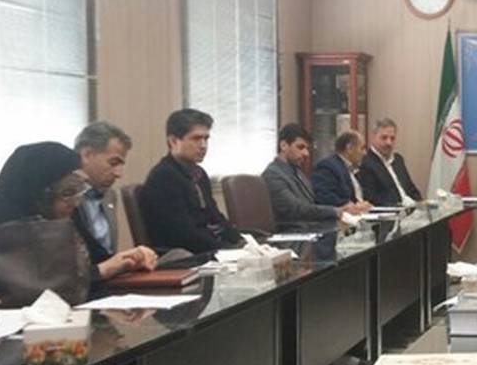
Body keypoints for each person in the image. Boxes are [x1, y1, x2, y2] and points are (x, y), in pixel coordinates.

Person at [0, 142, 154, 290]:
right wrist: (103, 270)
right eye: (67, 191)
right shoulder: (2, 225)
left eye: (78, 189)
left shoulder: (64, 213)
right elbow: (36, 289)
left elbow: (98, 258)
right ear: (39, 193)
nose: (75, 201)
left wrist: (130, 258)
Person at [140, 109, 243, 253]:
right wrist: (227, 250)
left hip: (208, 248)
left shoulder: (199, 173)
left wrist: (242, 243)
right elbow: (184, 234)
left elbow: (215, 217)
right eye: (196, 139)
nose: (203, 145)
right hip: (184, 254)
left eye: (206, 139)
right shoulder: (164, 176)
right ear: (173, 141)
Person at [71, 121, 160, 276]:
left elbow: (107, 255)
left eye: (121, 165)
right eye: (113, 163)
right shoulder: (65, 199)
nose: (119, 173)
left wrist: (131, 259)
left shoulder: (109, 196)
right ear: (86, 155)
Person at [263, 124, 349, 230]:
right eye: (300, 147)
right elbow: (295, 209)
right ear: (283, 145)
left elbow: (312, 203)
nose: (306, 153)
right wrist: (334, 211)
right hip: (291, 233)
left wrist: (341, 210)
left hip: (310, 229)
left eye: (307, 149)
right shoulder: (272, 175)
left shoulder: (297, 172)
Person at [358, 118, 421, 207]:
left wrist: (421, 204)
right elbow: (371, 198)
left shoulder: (398, 159)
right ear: (373, 137)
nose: (389, 142)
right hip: (392, 211)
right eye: (384, 138)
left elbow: (411, 189)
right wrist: (401, 206)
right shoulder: (366, 162)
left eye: (392, 138)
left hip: (411, 209)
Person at [311, 129, 373, 214]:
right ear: (349, 148)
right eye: (362, 148)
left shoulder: (354, 169)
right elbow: (323, 196)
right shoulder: (328, 167)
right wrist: (351, 205)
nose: (365, 153)